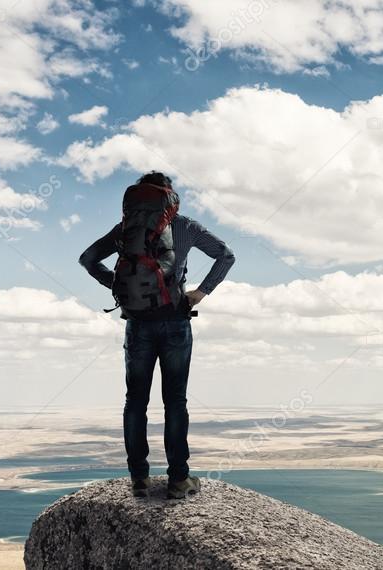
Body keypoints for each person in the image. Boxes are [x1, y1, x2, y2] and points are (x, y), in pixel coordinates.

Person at [79, 171, 235, 499]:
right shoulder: (185, 226)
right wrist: (201, 292)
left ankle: (139, 478)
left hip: (137, 324)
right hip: (176, 321)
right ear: (169, 198)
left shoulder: (126, 229)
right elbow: (226, 255)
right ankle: (179, 479)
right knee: (175, 401)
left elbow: (88, 259)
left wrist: (118, 287)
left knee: (135, 401)